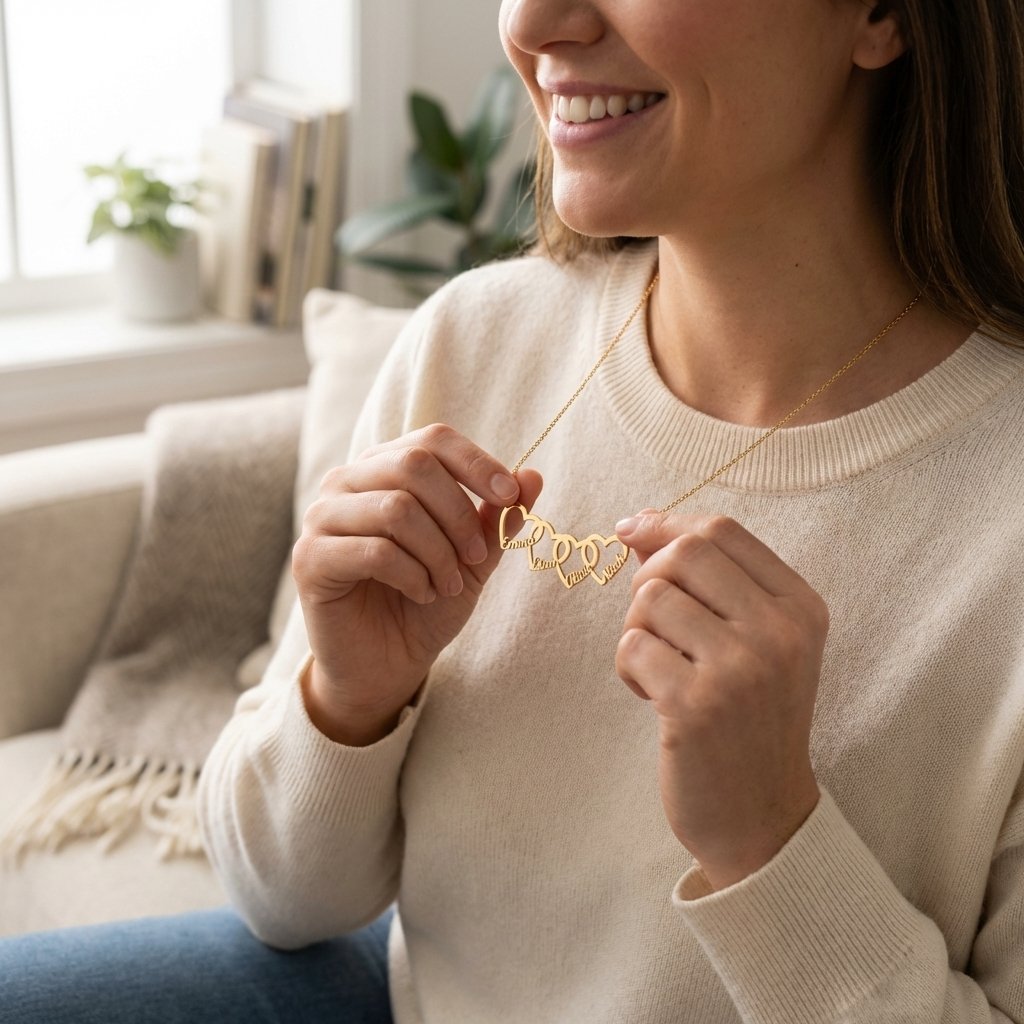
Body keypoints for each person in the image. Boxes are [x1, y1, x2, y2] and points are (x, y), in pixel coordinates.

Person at [4, 0, 1024, 1020]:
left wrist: (770, 839)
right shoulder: (475, 338)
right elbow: (279, 896)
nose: (533, 23)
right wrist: (346, 698)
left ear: (884, 15)